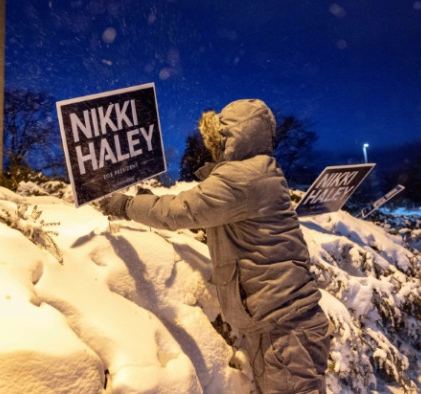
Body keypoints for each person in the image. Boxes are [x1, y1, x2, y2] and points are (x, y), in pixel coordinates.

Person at [99, 99, 331, 394]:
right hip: (285, 322)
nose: (213, 146)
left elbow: (180, 211)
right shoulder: (260, 172)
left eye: (218, 139)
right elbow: (213, 211)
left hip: (284, 331)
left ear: (233, 136)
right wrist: (152, 197)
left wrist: (127, 205)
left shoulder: (241, 178)